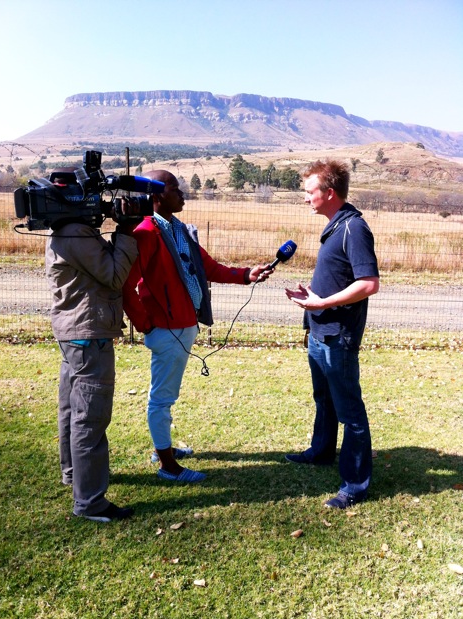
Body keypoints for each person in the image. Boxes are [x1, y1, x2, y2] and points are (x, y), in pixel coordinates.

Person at [122, 169, 273, 483]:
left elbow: (206, 267)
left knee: (166, 394)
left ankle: (162, 449)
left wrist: (246, 275)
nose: (182, 195)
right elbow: (125, 285)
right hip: (166, 330)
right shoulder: (145, 233)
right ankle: (168, 466)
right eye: (176, 189)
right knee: (161, 398)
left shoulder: (178, 229)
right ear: (157, 195)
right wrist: (146, 324)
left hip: (183, 324)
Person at [285, 159, 379, 509]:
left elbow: (369, 284)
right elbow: (343, 279)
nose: (306, 198)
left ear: (330, 192)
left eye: (310, 192)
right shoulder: (334, 226)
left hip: (338, 337)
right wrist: (313, 296)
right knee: (323, 399)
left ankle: (355, 485)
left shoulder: (354, 228)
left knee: (349, 410)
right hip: (320, 331)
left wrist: (323, 301)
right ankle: (321, 451)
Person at [45, 206, 138, 522]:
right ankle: (90, 502)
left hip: (75, 332)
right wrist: (125, 232)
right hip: (88, 335)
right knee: (90, 415)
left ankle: (74, 475)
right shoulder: (77, 233)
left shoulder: (66, 230)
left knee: (72, 409)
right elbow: (113, 276)